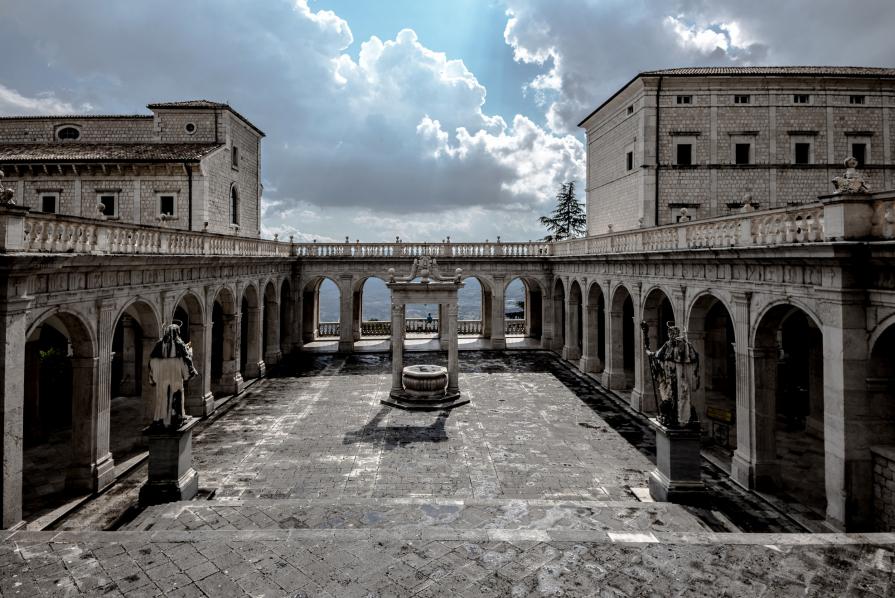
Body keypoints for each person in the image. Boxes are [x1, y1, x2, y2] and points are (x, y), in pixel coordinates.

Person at [643, 322, 700, 427]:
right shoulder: (677, 345)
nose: (670, 336)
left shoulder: (675, 345)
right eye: (670, 334)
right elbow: (658, 355)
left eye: (671, 334)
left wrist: (649, 352)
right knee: (677, 397)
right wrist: (650, 352)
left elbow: (657, 355)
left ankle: (678, 418)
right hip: (676, 379)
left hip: (677, 379)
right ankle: (678, 418)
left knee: (675, 397)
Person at [148, 323, 198, 429]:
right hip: (174, 370)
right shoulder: (179, 342)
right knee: (177, 392)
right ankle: (177, 417)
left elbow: (152, 359)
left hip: (162, 371)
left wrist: (153, 374)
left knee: (161, 395)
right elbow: (186, 358)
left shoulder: (159, 343)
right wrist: (191, 369)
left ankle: (159, 419)